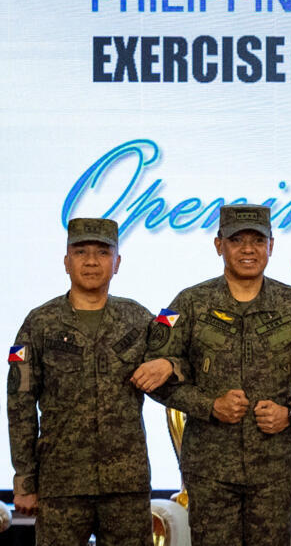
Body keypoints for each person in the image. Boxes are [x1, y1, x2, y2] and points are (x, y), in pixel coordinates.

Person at [145, 204, 291, 546]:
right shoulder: (191, 302)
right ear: (218, 245)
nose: (247, 249)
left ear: (271, 245)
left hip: (271, 470)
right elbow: (154, 372)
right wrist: (209, 406)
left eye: (257, 241)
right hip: (210, 470)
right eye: (236, 240)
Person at [6, 218, 174, 545]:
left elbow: (174, 363)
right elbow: (20, 403)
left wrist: (169, 363)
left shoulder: (138, 318)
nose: (92, 261)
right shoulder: (38, 322)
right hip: (61, 483)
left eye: (103, 252)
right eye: (80, 252)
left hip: (125, 483)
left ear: (117, 263)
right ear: (66, 262)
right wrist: (24, 478)